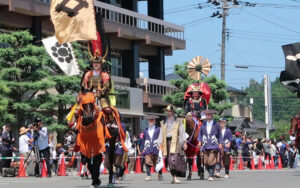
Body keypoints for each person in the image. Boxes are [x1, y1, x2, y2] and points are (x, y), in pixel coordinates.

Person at [158, 105, 187, 184]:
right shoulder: (163, 122)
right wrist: (159, 143)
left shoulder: (178, 121)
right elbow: (161, 133)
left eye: (169, 111)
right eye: (167, 111)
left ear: (173, 112)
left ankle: (175, 177)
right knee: (169, 160)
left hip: (176, 142)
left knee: (174, 160)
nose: (168, 113)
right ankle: (173, 177)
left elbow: (182, 132)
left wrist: (184, 142)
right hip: (167, 142)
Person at [197, 109, 222, 181]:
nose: (208, 116)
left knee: (211, 160)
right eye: (207, 114)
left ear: (212, 115)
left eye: (209, 114)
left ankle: (211, 175)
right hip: (205, 144)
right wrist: (199, 142)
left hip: (214, 144)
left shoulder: (216, 124)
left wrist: (220, 143)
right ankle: (211, 172)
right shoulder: (203, 124)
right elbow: (200, 134)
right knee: (205, 162)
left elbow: (220, 135)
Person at [142, 115, 162, 181]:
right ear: (148, 121)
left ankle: (160, 174)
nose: (151, 121)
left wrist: (161, 146)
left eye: (152, 120)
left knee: (157, 161)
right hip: (148, 147)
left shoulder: (158, 129)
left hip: (156, 147)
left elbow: (161, 138)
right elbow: (143, 139)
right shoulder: (145, 130)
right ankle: (148, 175)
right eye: (149, 120)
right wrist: (143, 148)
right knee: (147, 161)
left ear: (154, 121)